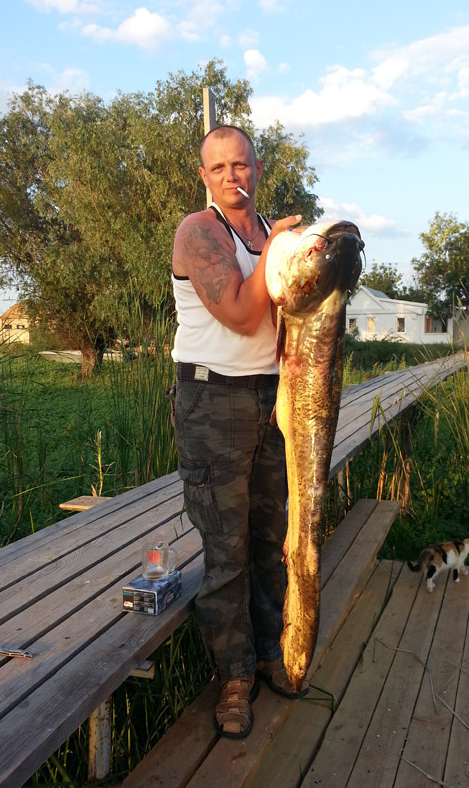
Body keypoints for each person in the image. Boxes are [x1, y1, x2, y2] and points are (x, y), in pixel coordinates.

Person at [170, 125, 307, 740]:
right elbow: (246, 314)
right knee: (226, 547)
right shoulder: (199, 233)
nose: (232, 176)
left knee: (270, 536)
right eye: (219, 167)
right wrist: (278, 247)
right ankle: (233, 678)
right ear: (204, 176)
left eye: (241, 164)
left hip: (272, 398)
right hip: (212, 399)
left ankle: (270, 651)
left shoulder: (273, 235)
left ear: (257, 168)